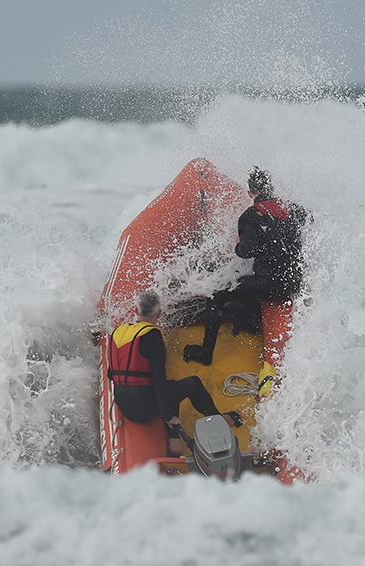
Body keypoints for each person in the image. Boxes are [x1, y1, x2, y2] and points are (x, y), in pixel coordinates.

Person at [183, 166, 307, 366]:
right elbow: (308, 220)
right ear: (272, 188)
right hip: (293, 281)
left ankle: (205, 353)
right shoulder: (292, 208)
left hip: (272, 285)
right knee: (247, 279)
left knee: (218, 295)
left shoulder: (250, 215)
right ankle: (251, 322)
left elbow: (247, 251)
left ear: (250, 193)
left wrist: (237, 247)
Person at [108, 290, 241, 456]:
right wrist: (168, 417)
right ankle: (220, 422)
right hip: (145, 410)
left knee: (173, 388)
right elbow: (159, 382)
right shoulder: (153, 338)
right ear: (159, 313)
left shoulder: (117, 333)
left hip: (124, 404)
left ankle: (175, 441)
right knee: (192, 383)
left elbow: (110, 375)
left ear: (136, 311)